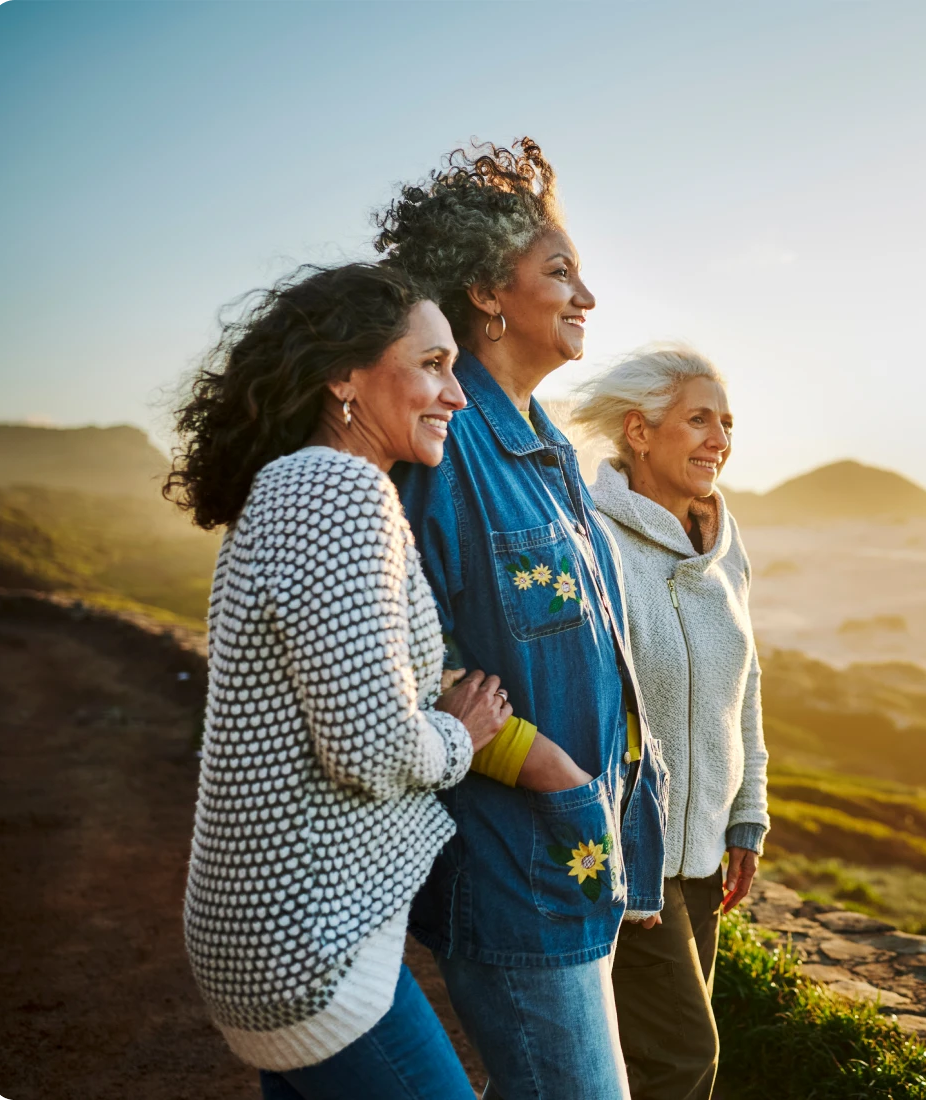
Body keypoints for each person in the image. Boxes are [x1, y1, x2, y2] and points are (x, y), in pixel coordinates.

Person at [167, 262, 512, 1099]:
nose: (456, 396)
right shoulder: (335, 487)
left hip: (264, 932)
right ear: (344, 374)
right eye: (431, 365)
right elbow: (371, 742)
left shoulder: (294, 486)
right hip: (309, 946)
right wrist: (461, 735)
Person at [374, 139, 669, 1100]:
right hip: (512, 871)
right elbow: (420, 663)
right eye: (560, 273)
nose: (587, 295)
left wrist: (614, 815)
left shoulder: (549, 451)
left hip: (573, 859)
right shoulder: (447, 448)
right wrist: (554, 773)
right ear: (487, 295)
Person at [572, 345, 770, 1100]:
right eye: (699, 419)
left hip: (704, 862)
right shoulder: (592, 539)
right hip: (628, 859)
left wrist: (746, 817)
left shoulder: (725, 543)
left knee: (617, 1063)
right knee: (683, 1060)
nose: (719, 438)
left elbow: (743, 685)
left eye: (726, 422)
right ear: (640, 431)